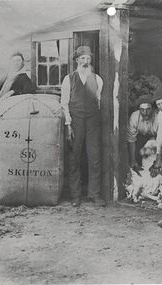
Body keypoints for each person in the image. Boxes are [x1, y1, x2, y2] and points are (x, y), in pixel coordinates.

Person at [61, 46, 104, 208]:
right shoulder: (69, 79)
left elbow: (98, 102)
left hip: (93, 121)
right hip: (75, 121)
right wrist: (68, 124)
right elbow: (64, 103)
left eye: (88, 59)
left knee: (94, 157)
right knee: (74, 157)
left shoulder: (97, 79)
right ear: (77, 61)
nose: (86, 62)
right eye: (82, 59)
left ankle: (94, 194)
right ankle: (75, 196)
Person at [0, 52, 35, 177]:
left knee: (6, 143)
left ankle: (4, 173)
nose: (16, 63)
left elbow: (29, 92)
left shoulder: (23, 78)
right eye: (14, 61)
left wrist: (13, 92)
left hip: (9, 116)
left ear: (22, 63)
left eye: (19, 61)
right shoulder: (5, 76)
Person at [127, 94, 159, 176]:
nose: (145, 113)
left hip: (156, 137)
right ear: (139, 109)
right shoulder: (134, 117)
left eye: (148, 109)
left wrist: (157, 162)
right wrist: (133, 160)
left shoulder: (158, 118)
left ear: (152, 109)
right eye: (142, 110)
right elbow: (131, 140)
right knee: (137, 152)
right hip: (141, 136)